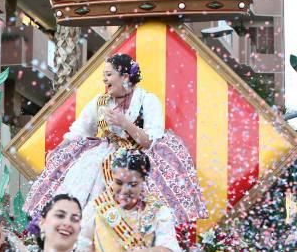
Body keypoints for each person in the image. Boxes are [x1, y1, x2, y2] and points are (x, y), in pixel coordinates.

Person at [24, 54, 206, 226]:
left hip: (138, 159)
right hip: (101, 158)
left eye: (109, 74)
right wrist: (59, 150)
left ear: (125, 77)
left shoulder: (147, 101)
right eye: (104, 75)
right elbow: (79, 131)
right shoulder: (100, 102)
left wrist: (125, 123)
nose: (104, 80)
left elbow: (150, 141)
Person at [78, 150, 183, 252]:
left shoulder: (157, 210)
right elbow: (80, 247)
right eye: (119, 182)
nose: (124, 190)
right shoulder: (97, 208)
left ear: (143, 181)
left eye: (133, 184)